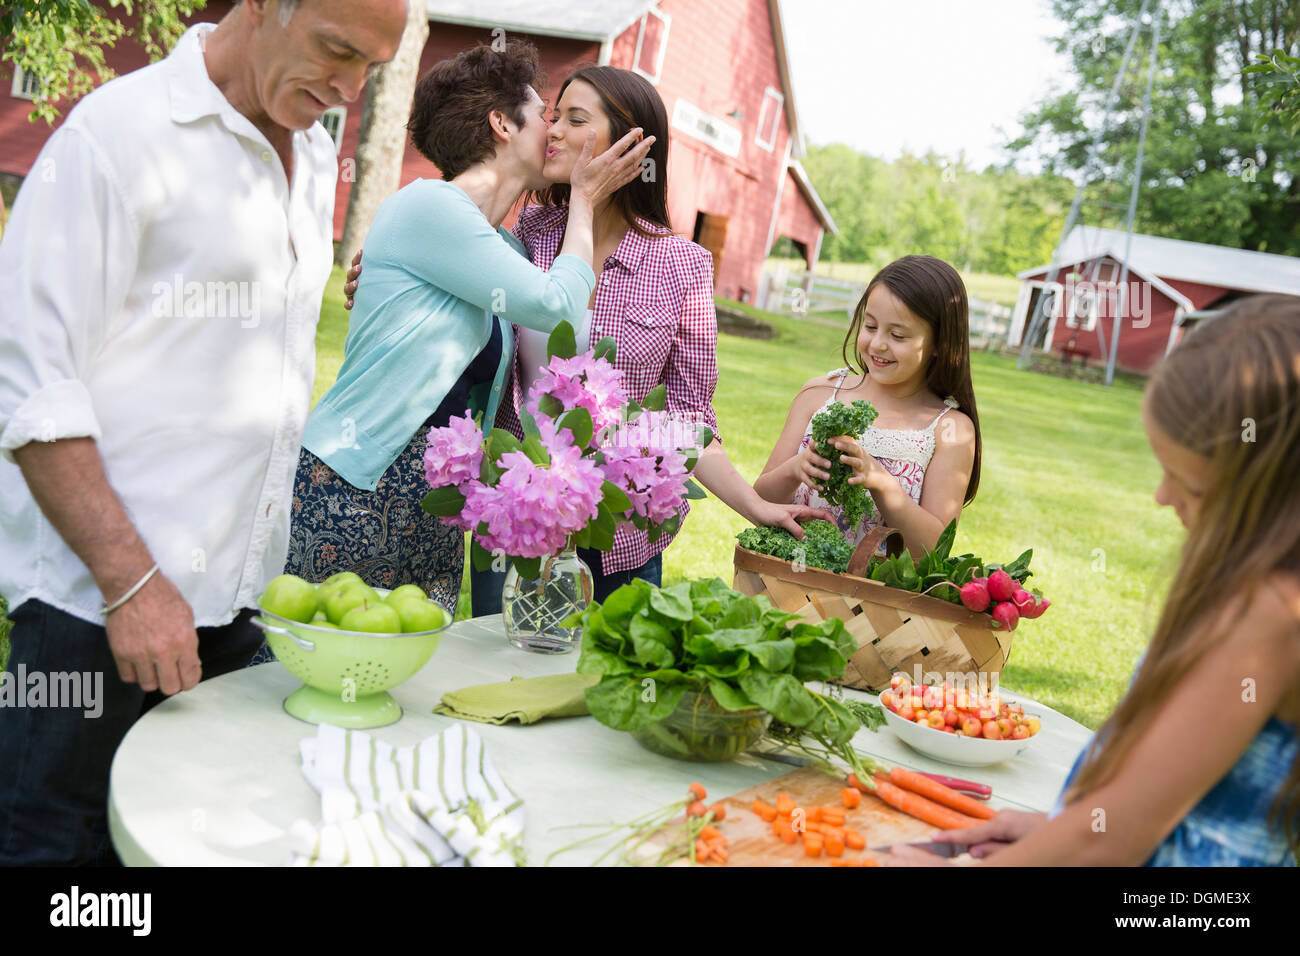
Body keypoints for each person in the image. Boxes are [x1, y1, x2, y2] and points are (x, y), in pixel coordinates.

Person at [0, 0, 409, 865]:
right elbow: (30, 387)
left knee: (186, 845)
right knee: (57, 851)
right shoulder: (119, 136)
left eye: (372, 66)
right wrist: (132, 586)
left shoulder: (308, 141)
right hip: (93, 606)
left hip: (233, 607)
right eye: (336, 51)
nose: (348, 89)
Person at [347, 65, 830, 611]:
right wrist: (385, 276)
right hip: (518, 521)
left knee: (600, 689)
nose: (552, 131)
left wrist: (755, 505)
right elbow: (437, 282)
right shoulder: (523, 236)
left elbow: (689, 419)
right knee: (496, 684)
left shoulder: (684, 266)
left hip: (620, 535)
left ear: (630, 144)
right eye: (552, 117)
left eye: (574, 120)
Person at [890, 294, 1300, 867]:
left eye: (1192, 486)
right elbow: (1155, 809)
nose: (1162, 497)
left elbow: (1114, 839)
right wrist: (1054, 830)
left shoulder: (1267, 614)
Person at [283, 42, 653, 613]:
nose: (554, 132)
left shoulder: (502, 246)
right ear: (502, 123)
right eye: (544, 116)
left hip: (440, 505)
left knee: (413, 673)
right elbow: (557, 305)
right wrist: (583, 199)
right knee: (317, 652)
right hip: (355, 485)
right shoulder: (429, 206)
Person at [754, 255, 981, 561]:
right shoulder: (819, 394)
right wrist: (797, 469)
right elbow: (759, 501)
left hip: (875, 604)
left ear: (940, 343)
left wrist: (881, 482)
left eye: (897, 335)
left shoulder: (950, 430)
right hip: (785, 584)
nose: (877, 344)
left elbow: (933, 551)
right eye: (870, 326)